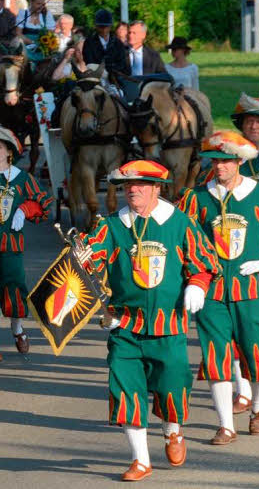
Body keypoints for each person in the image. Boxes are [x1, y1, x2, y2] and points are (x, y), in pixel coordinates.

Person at [81, 160, 219, 481]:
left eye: (141, 184)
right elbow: (91, 258)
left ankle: (172, 431)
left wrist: (197, 284)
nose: (132, 190)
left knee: (171, 387)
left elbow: (204, 261)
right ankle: (140, 459)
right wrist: (82, 256)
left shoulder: (180, 223)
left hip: (168, 326)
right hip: (124, 325)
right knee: (125, 388)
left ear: (157, 188)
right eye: (128, 186)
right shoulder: (112, 225)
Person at [177, 132, 259, 445]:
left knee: (256, 353)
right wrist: (192, 281)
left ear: (239, 161)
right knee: (214, 356)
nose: (218, 167)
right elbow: (181, 239)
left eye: (225, 161)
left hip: (252, 288)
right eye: (214, 161)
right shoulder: (196, 197)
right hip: (212, 292)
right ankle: (225, 426)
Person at [0, 119, 51, 364]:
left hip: (12, 247)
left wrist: (25, 210)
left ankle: (17, 329)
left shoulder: (22, 178)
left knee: (15, 291)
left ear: (9, 151)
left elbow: (44, 203)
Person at [81, 9, 130, 83]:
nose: (104, 30)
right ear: (96, 26)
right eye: (101, 27)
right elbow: (89, 62)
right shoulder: (89, 43)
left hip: (116, 79)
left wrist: (112, 71)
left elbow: (122, 63)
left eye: (106, 27)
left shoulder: (118, 43)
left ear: (110, 26)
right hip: (96, 79)